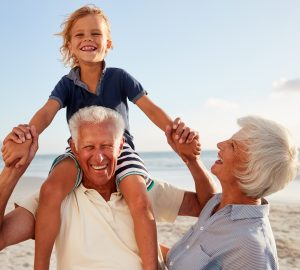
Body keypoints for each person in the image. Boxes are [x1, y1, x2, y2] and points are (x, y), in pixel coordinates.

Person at [1, 5, 198, 270]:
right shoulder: (67, 83)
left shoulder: (120, 77)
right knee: (49, 190)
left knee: (139, 198)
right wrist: (27, 133)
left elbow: (150, 108)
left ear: (109, 43)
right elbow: (47, 113)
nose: (88, 39)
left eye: (95, 33)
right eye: (79, 35)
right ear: (69, 45)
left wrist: (174, 131)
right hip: (80, 149)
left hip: (120, 148)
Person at [0, 106, 214, 270]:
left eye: (107, 146)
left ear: (121, 146)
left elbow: (209, 207)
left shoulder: (143, 190)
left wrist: (192, 160)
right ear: (73, 148)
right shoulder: (53, 199)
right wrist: (12, 170)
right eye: (89, 147)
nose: (99, 156)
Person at [163, 115, 299, 270]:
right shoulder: (216, 204)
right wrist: (190, 158)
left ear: (251, 170)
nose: (220, 144)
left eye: (233, 146)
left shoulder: (252, 249)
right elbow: (179, 262)